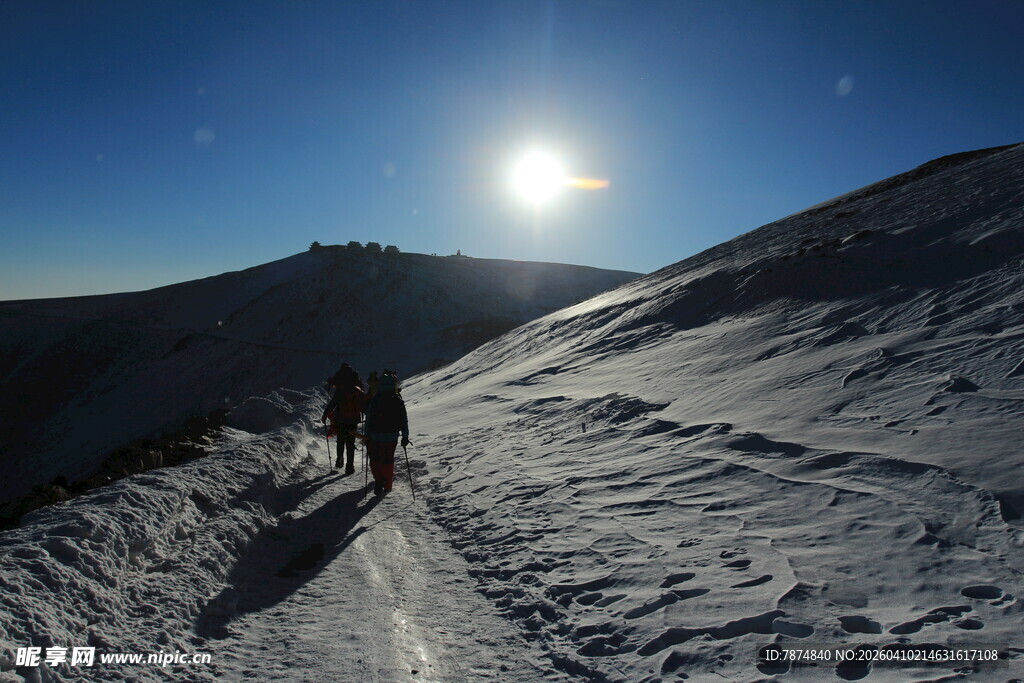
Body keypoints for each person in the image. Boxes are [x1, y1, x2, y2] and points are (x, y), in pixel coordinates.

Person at [363, 371, 409, 496]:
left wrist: (367, 435)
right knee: (388, 459)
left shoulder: (376, 399)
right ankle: (387, 485)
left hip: (375, 435)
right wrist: (405, 437)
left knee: (375, 458)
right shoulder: (398, 400)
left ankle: (378, 479)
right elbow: (404, 420)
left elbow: (369, 419)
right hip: (392, 436)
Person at [321, 363, 364, 474]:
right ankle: (350, 466)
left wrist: (325, 415)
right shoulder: (357, 390)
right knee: (351, 443)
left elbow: (333, 403)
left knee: (340, 440)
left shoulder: (341, 390)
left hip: (341, 418)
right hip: (353, 420)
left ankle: (340, 459)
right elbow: (363, 404)